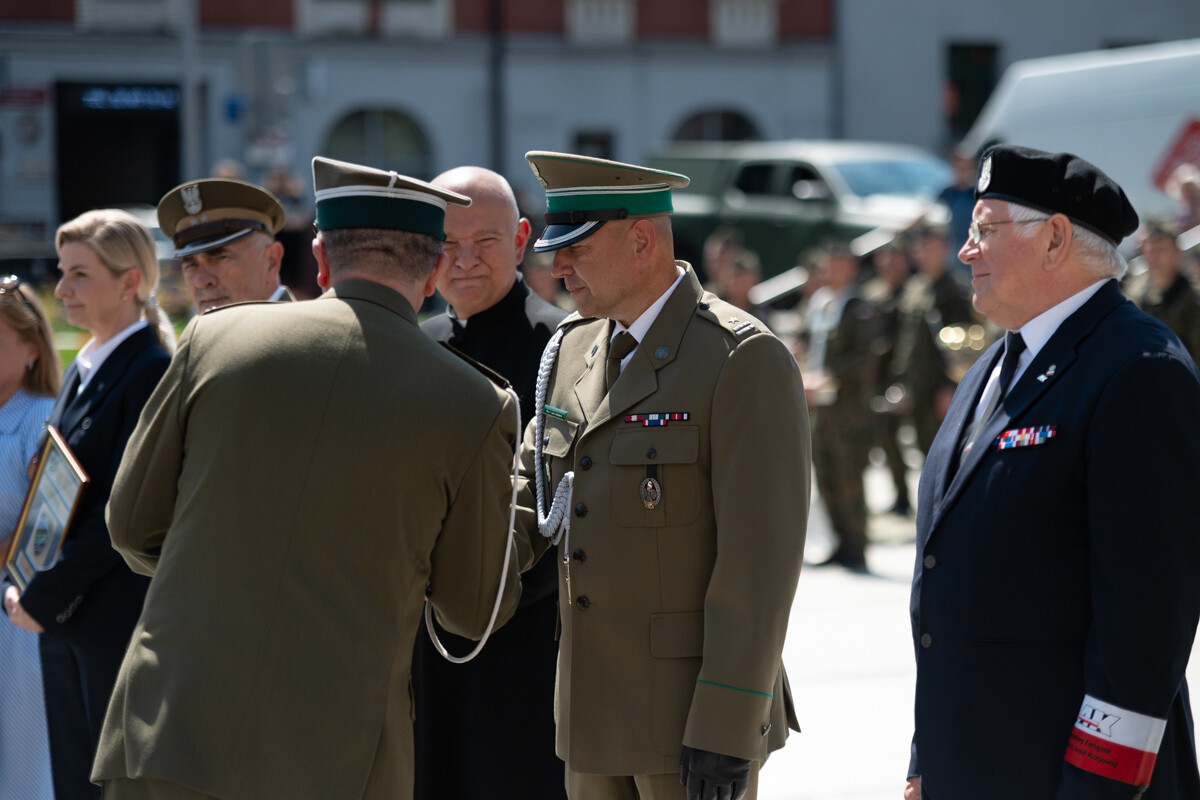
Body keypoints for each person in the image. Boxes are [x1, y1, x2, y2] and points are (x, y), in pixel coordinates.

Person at [93, 157, 523, 800]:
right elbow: (469, 611)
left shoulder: (212, 339)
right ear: (434, 272)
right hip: (340, 760)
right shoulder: (477, 403)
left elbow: (130, 527)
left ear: (319, 258)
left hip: (170, 731)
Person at [907, 145, 1200, 799]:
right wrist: (927, 759)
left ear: (1056, 239)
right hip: (975, 768)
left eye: (985, 229)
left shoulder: (1137, 369)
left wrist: (1095, 788)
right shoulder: (995, 365)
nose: (966, 250)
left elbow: (1144, 626)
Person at [516, 151, 809, 800]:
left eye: (575, 248)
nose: (557, 266)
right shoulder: (571, 350)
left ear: (641, 239)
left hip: (688, 722)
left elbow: (758, 572)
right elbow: (529, 501)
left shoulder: (740, 359)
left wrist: (727, 726)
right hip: (592, 714)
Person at [2, 209, 175, 800]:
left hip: (108, 622)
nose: (63, 289)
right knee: (72, 781)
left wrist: (40, 595)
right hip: (66, 618)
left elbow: (120, 517)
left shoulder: (148, 371)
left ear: (130, 283)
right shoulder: (84, 368)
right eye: (62, 272)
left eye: (80, 274)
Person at [413, 165, 567, 800]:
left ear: (522, 237)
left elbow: (564, 510)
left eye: (485, 241)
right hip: (425, 641)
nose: (465, 260)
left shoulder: (563, 349)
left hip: (524, 639)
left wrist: (481, 599)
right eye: (447, 243)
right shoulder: (414, 346)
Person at [0, 277, 60, 800]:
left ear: (32, 349)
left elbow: (44, 537)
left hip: (16, 622)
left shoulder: (41, 421)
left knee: (22, 771)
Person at [801, 242, 880, 570]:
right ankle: (839, 540)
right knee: (826, 471)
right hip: (821, 407)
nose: (828, 270)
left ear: (850, 266)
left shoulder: (859, 306)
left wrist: (829, 377)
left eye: (835, 263)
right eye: (826, 263)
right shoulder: (820, 303)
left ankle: (856, 544)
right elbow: (810, 343)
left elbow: (866, 355)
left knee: (849, 474)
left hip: (848, 406)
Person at [891, 221, 974, 457]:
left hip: (939, 387)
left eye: (933, 247)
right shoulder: (914, 288)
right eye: (922, 247)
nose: (926, 253)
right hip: (915, 385)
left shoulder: (955, 290)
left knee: (946, 454)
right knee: (923, 453)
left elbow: (965, 346)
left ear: (946, 249)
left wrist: (951, 388)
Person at [157, 177, 295, 314]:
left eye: (221, 257)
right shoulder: (203, 335)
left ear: (271, 261)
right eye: (190, 264)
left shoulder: (304, 335)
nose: (201, 281)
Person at [861, 240, 914, 515]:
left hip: (908, 376)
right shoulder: (872, 295)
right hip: (878, 378)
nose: (890, 266)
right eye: (885, 260)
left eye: (896, 260)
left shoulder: (913, 293)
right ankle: (901, 496)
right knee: (886, 439)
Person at [1124, 217, 1200, 365]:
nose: (1154, 256)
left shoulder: (1193, 298)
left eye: (1161, 249)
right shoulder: (1133, 297)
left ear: (1177, 252)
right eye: (1149, 250)